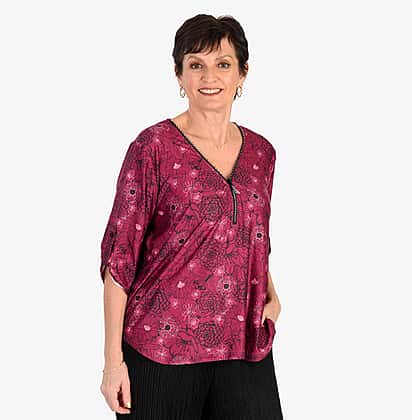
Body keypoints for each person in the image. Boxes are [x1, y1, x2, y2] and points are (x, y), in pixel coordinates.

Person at [99, 13, 284, 420]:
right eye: (196, 64)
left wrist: (272, 294)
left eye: (223, 64)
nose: (209, 76)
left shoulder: (262, 154)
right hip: (161, 349)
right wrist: (113, 362)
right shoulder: (153, 147)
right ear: (179, 75)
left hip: (244, 346)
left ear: (243, 73)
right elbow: (119, 257)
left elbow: (251, 235)